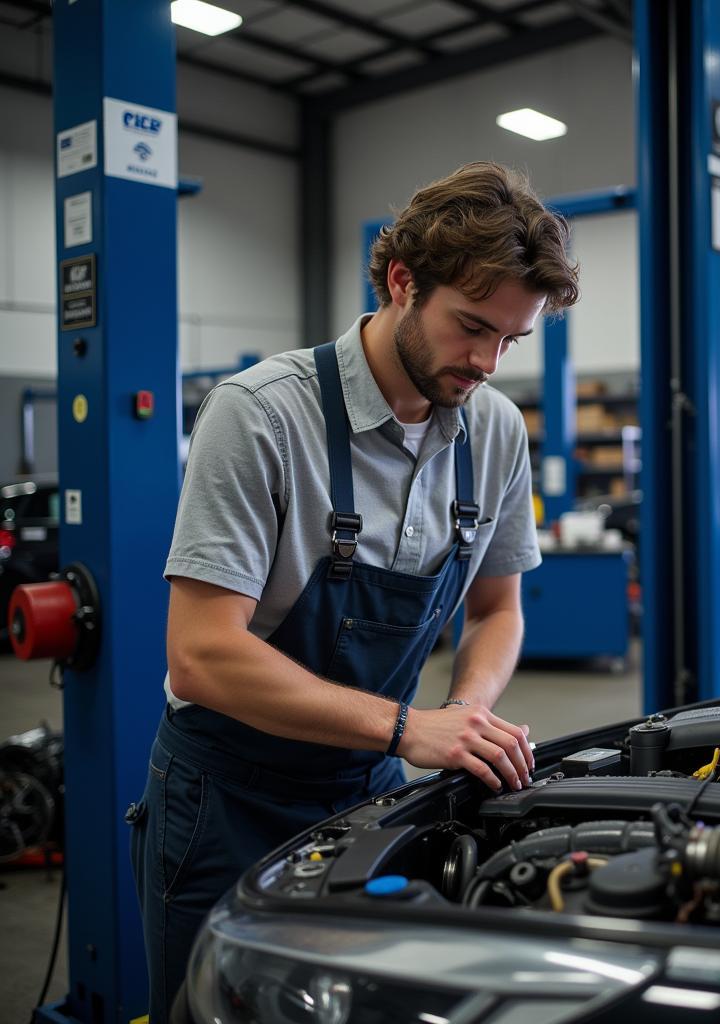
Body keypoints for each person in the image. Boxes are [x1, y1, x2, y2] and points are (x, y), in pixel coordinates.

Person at [126, 161, 580, 1021]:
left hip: (371, 794)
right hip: (227, 796)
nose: (486, 361)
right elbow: (200, 656)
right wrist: (412, 727)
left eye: (511, 341)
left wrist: (468, 719)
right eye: (472, 326)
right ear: (402, 281)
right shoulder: (260, 414)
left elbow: (496, 609)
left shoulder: (493, 430)